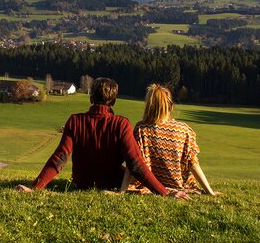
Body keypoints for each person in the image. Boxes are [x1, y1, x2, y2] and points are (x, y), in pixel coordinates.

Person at [15, 77, 190, 200]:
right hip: (112, 184)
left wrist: (34, 187)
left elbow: (59, 158)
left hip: (81, 185)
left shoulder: (75, 121)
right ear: (113, 101)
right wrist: (165, 193)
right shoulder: (121, 124)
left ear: (91, 98)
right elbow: (135, 163)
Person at [122, 84, 218, 195]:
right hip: (178, 185)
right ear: (171, 107)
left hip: (149, 185)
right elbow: (193, 164)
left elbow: (133, 162)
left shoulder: (141, 130)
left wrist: (122, 190)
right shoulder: (184, 130)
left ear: (148, 106)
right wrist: (210, 192)